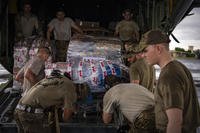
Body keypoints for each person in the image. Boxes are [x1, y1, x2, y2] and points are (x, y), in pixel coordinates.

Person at [140, 29, 200, 133]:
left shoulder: (169, 76)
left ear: (158, 49)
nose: (142, 55)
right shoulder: (179, 67)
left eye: (145, 50)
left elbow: (175, 122)